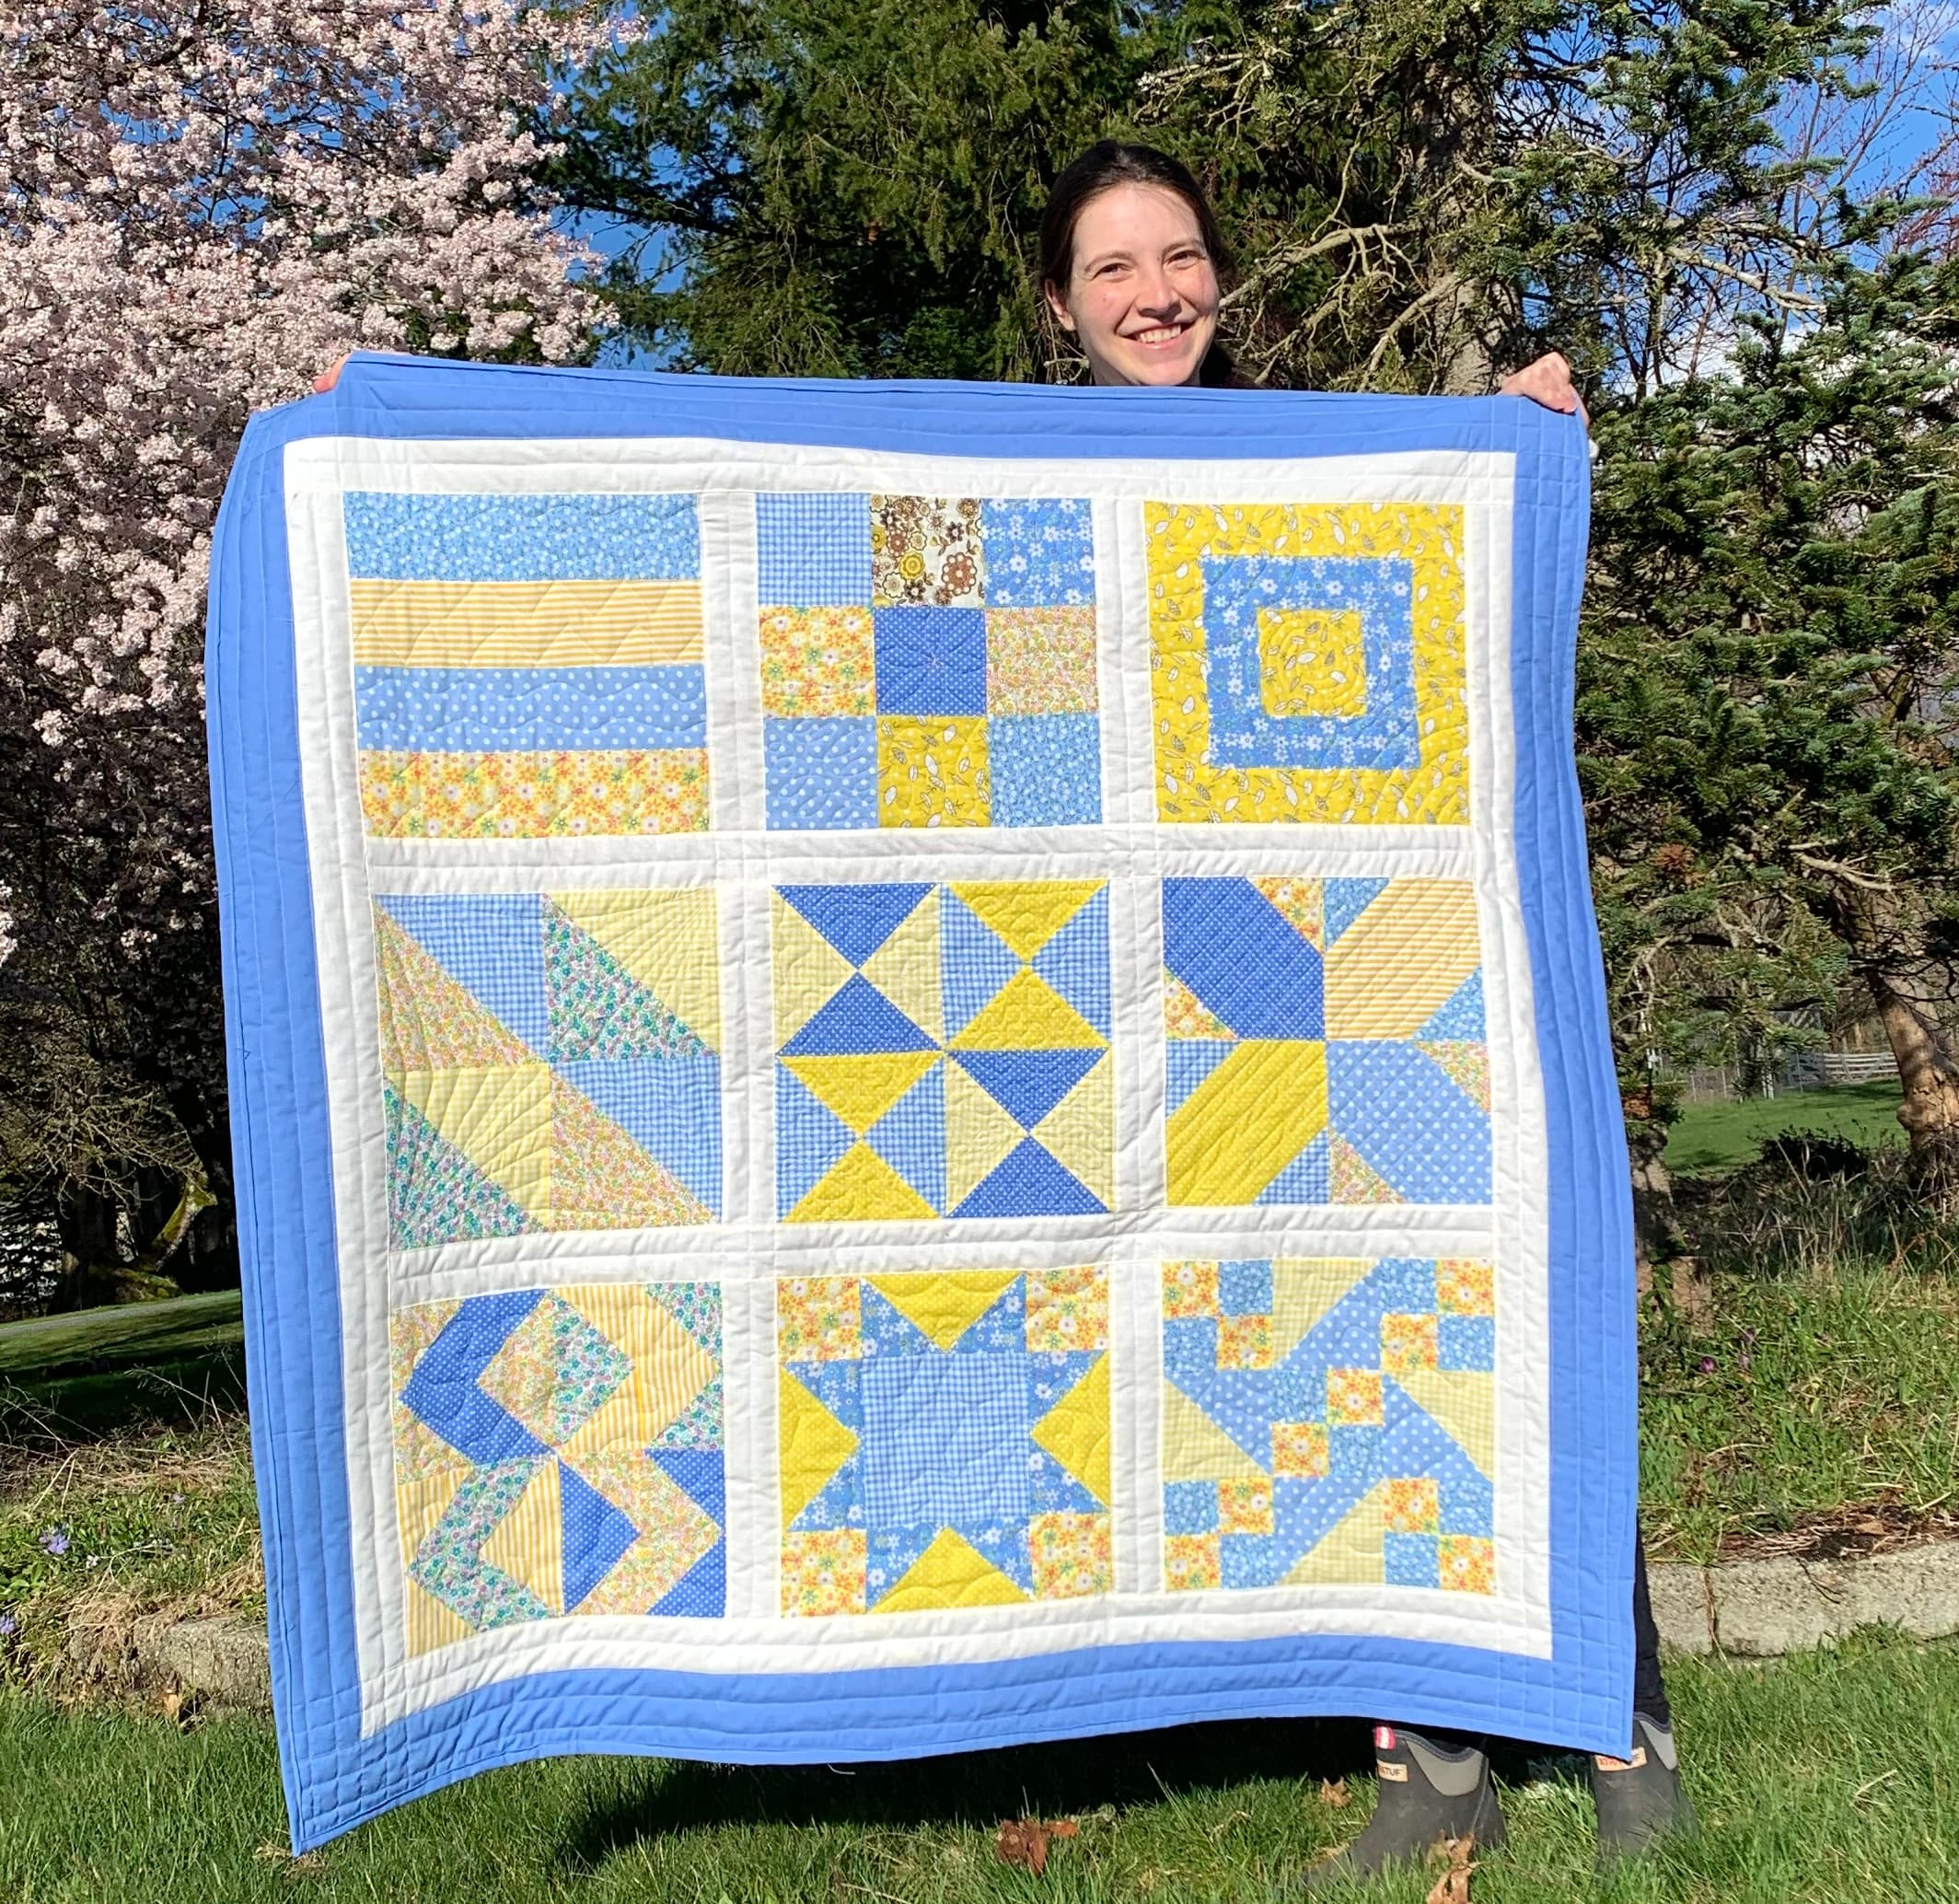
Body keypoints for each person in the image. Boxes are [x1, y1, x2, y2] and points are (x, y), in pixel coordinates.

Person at [1037, 140, 1694, 1884]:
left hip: (1370, 969)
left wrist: (1512, 432)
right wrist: (389, 416)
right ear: (1060, 306)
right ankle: (1432, 1755)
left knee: (1497, 1291)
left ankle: (1619, 1709)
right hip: (1163, 1010)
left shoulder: (1314, 464)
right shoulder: (1029, 485)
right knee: (1327, 1349)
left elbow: (1441, 586)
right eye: (1114, 268)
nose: (1157, 292)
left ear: (1221, 280)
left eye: (1182, 256)